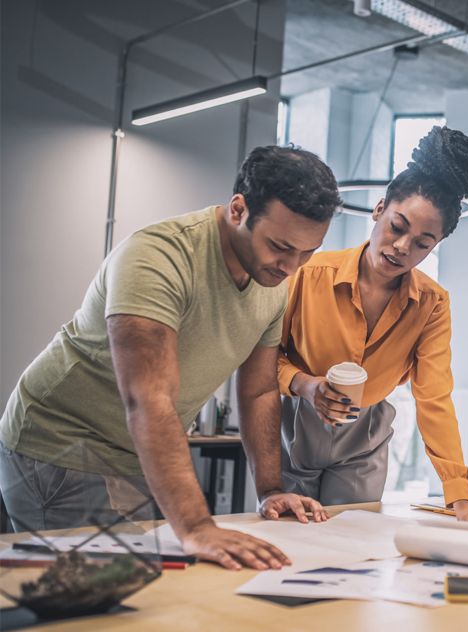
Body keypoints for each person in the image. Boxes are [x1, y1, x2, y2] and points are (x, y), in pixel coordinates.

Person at [0, 146, 341, 571]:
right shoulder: (157, 257)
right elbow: (149, 399)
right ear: (238, 210)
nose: (292, 267)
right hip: (63, 445)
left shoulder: (273, 281)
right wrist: (197, 526)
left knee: (159, 587)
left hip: (135, 453)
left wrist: (270, 489)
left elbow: (258, 390)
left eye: (308, 252)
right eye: (280, 246)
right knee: (91, 600)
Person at [277, 126, 468, 524]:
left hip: (364, 436)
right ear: (379, 209)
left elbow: (435, 397)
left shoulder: (432, 304)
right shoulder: (307, 273)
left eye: (423, 242)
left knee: (348, 543)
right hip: (293, 423)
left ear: (436, 245)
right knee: (286, 537)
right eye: (398, 226)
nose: (403, 247)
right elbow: (262, 356)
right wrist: (305, 384)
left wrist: (461, 500)